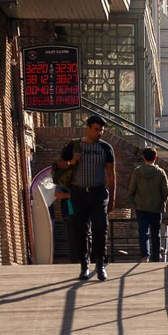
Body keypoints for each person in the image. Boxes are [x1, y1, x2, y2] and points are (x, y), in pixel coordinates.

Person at [58, 114, 116, 281]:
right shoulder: (74, 145)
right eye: (97, 129)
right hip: (79, 192)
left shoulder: (106, 148)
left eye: (102, 130)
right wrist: (72, 161)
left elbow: (112, 175)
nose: (100, 133)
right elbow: (59, 165)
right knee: (81, 230)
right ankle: (84, 266)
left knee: (100, 228)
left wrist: (112, 199)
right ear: (88, 128)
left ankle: (100, 265)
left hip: (98, 192)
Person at [127, 147, 168, 262]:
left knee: (143, 232)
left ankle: (145, 256)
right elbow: (166, 191)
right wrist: (162, 202)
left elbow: (132, 189)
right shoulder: (160, 173)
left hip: (141, 207)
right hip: (156, 207)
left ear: (143, 157)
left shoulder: (137, 172)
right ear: (155, 158)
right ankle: (155, 257)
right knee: (156, 233)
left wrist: (134, 202)